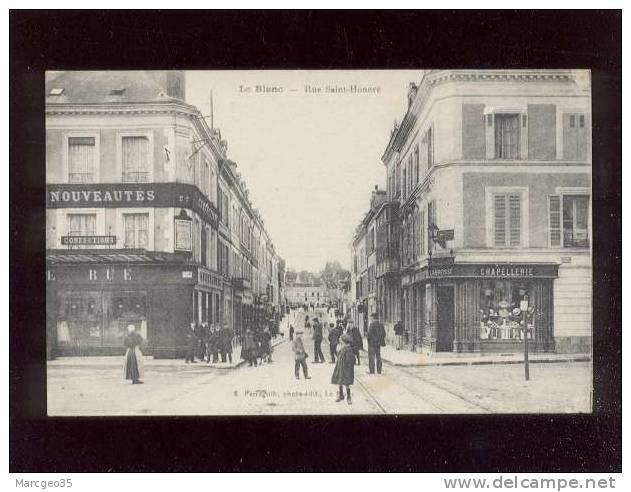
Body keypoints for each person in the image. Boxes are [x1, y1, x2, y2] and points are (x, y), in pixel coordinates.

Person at [331, 334, 355, 404]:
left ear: (344, 341)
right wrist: (338, 350)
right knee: (340, 381)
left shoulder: (348, 349)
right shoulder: (342, 348)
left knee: (347, 383)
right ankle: (341, 395)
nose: (340, 341)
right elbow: (338, 355)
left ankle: (348, 397)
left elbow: (351, 360)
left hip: (346, 369)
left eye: (341, 340)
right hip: (340, 367)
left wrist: (347, 367)